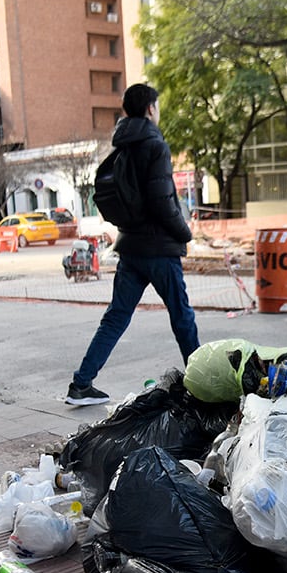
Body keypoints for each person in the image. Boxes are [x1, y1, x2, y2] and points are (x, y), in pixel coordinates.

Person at [65, 83, 199, 405]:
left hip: (130, 247)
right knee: (182, 316)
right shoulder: (155, 145)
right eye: (158, 105)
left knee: (116, 317)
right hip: (158, 248)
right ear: (150, 108)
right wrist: (185, 233)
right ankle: (201, 384)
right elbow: (163, 201)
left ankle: (81, 384)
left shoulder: (122, 147)